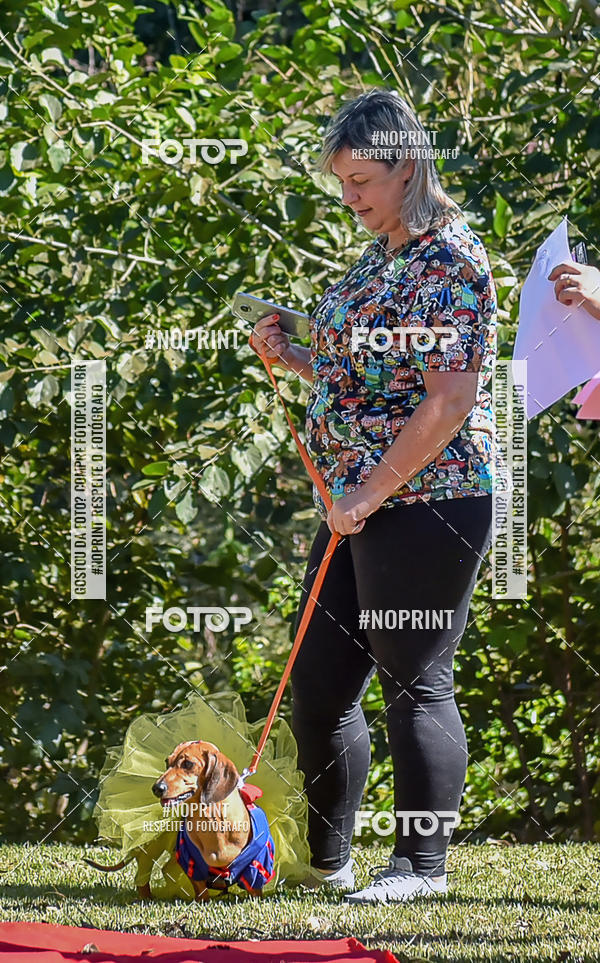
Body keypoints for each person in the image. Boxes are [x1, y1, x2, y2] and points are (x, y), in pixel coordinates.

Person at [249, 88, 496, 904]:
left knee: (413, 676)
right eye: (341, 182)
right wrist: (298, 355)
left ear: (408, 169)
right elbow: (367, 386)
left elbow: (447, 400)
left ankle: (421, 868)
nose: (349, 198)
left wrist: (368, 492)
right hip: (354, 499)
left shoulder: (449, 260)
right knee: (318, 685)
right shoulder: (378, 257)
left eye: (361, 181)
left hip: (430, 501)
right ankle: (330, 860)